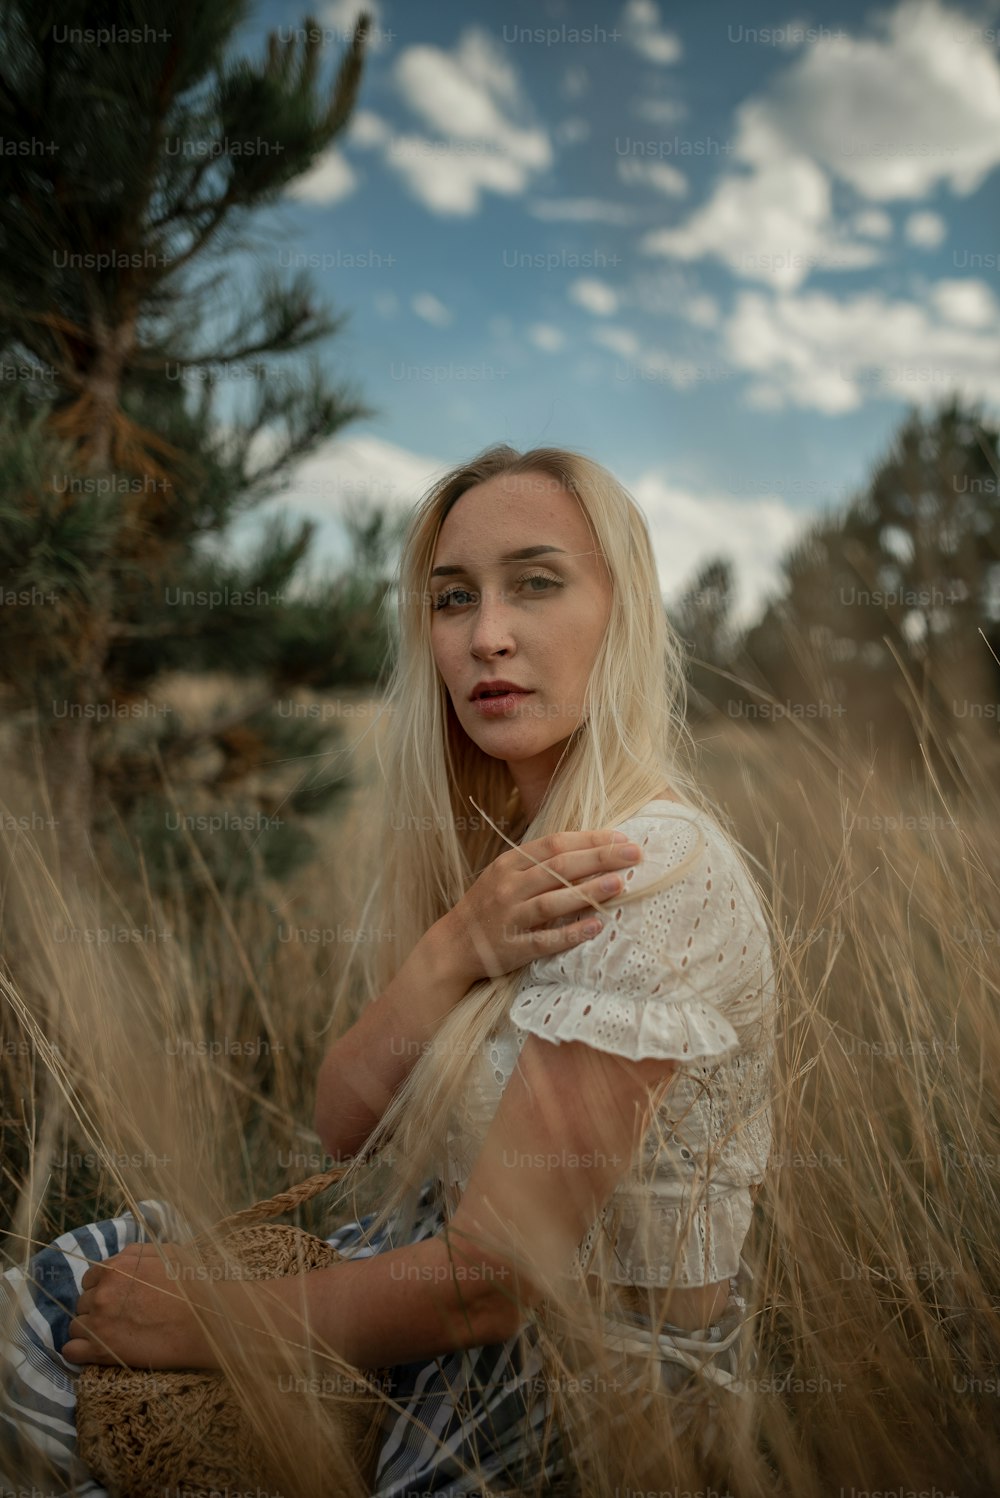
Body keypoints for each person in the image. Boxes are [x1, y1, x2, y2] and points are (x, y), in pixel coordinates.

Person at [0, 445, 777, 1496]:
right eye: (452, 598)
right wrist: (456, 942)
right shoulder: (507, 845)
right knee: (67, 1303)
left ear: (624, 611)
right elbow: (344, 1123)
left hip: (570, 1398)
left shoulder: (653, 870)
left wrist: (217, 1323)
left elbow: (494, 1285)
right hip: (430, 1307)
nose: (484, 634)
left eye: (536, 583)